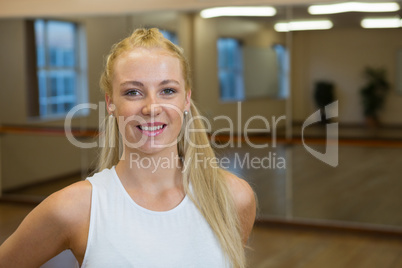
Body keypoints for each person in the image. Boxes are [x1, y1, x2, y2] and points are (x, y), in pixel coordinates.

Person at [0, 28, 256, 268]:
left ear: (186, 99)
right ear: (111, 102)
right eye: (133, 92)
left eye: (167, 90)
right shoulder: (75, 208)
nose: (152, 107)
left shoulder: (233, 198)